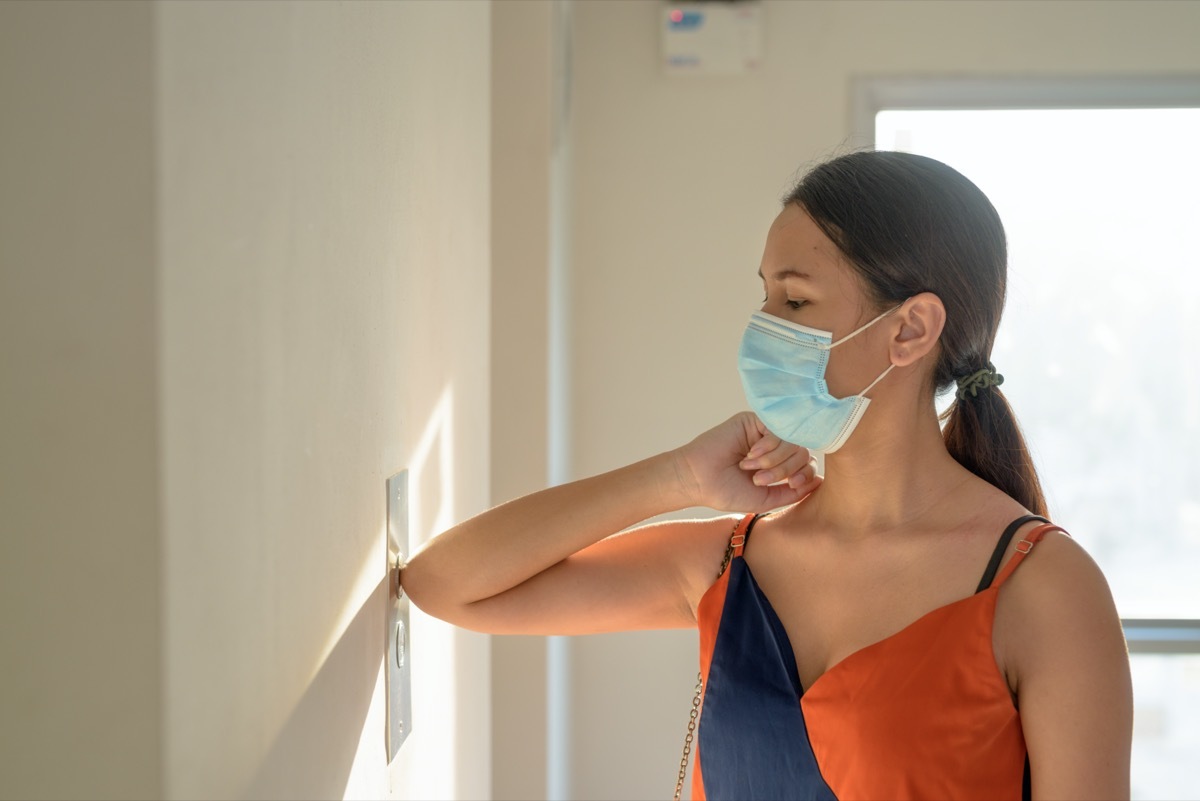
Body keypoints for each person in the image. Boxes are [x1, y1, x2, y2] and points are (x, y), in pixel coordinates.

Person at [400, 151, 1133, 800]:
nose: (764, 326)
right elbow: (445, 582)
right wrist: (678, 476)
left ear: (909, 329)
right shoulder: (729, 561)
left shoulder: (1043, 587)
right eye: (766, 297)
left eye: (795, 299)